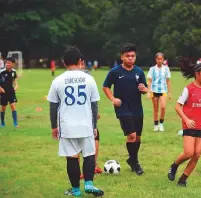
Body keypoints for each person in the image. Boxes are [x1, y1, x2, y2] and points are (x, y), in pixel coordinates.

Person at [47, 46, 104, 196]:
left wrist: (54, 127)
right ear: (80, 61)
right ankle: (89, 184)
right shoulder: (89, 79)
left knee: (72, 157)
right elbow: (94, 105)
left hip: (67, 126)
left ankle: (76, 190)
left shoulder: (57, 81)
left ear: (64, 63)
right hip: (86, 124)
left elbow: (53, 107)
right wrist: (95, 125)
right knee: (89, 154)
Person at [167, 57, 201, 187]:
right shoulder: (188, 89)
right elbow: (177, 107)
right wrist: (186, 119)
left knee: (197, 155)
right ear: (197, 74)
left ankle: (182, 180)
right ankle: (174, 165)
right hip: (189, 125)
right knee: (188, 153)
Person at [103, 43, 148, 176]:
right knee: (132, 135)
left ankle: (132, 159)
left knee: (138, 137)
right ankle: (135, 163)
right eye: (127, 56)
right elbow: (106, 86)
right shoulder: (115, 71)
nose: (130, 58)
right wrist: (112, 99)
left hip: (137, 108)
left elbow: (145, 88)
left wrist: (144, 89)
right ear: (122, 57)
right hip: (122, 107)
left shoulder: (139, 72)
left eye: (133, 56)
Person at [147, 52, 172, 132]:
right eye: (158, 59)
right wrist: (148, 92)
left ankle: (161, 123)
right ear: (156, 59)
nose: (160, 60)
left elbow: (168, 81)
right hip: (154, 90)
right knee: (155, 108)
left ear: (163, 60)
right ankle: (156, 125)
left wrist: (169, 92)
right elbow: (150, 81)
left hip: (163, 90)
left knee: (163, 107)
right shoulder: (152, 69)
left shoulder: (166, 69)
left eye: (161, 59)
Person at [0, 57, 19, 128]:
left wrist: (16, 86)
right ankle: (2, 122)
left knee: (13, 106)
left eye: (9, 63)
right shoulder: (1, 72)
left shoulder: (14, 72)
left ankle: (15, 123)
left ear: (13, 64)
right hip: (3, 93)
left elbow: (15, 82)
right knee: (3, 108)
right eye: (6, 63)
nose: (7, 64)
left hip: (11, 92)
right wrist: (0, 88)